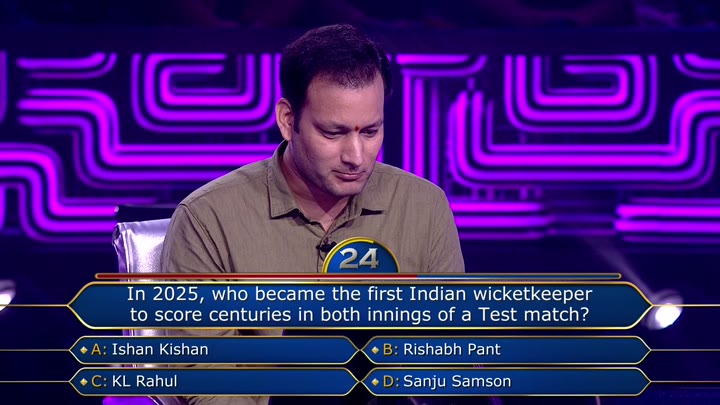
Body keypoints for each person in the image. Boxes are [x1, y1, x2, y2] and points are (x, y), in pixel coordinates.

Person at [161, 24, 464, 405]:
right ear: (288, 120)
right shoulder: (208, 219)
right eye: (333, 133)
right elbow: (205, 378)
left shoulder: (424, 207)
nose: (355, 156)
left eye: (370, 131)